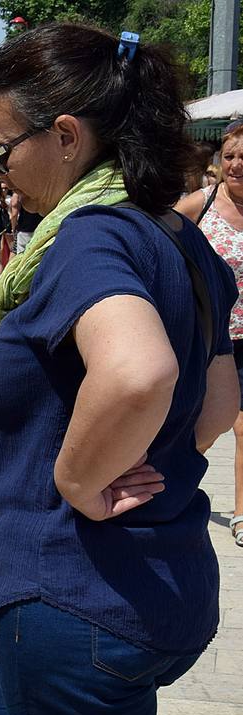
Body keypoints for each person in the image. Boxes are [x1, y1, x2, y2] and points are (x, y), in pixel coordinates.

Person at [0, 23, 240, 715]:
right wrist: (147, 454)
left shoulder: (89, 239)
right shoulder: (178, 239)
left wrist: (81, 479)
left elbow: (139, 369)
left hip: (76, 598)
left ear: (67, 136)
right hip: (144, 584)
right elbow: (220, 399)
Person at [176, 120, 243, 548]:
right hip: (207, 340)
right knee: (203, 428)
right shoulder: (200, 203)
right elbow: (161, 238)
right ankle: (174, 489)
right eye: (230, 155)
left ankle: (242, 513)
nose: (235, 164)